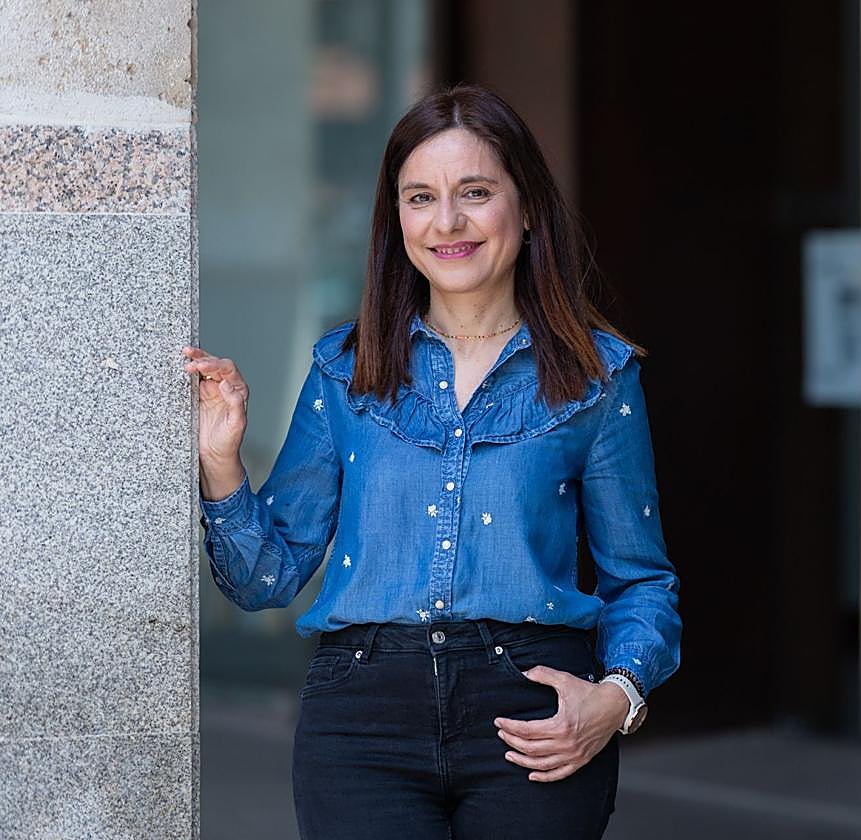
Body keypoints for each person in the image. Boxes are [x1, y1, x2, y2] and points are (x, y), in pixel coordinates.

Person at [181, 82, 682, 839]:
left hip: (533, 719)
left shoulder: (598, 379)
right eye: (420, 197)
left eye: (474, 191)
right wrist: (220, 462)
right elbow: (263, 579)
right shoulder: (343, 371)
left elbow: (641, 581)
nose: (447, 221)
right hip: (360, 724)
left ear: (527, 206)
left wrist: (616, 699)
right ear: (397, 220)